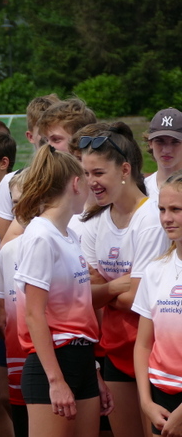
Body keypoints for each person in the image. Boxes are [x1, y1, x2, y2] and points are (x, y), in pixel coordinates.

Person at [12, 145, 112, 437]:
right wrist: (55, 381)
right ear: (76, 183)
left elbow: (78, 314)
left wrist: (93, 371)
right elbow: (34, 314)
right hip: (53, 362)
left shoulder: (68, 235)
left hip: (82, 359)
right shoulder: (41, 236)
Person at [79, 123, 167, 437]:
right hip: (115, 349)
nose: (91, 182)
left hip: (153, 350)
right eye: (86, 173)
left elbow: (140, 300)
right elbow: (83, 297)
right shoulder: (94, 221)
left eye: (98, 173)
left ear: (125, 170)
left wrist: (104, 290)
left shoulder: (151, 219)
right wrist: (119, 285)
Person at [134, 172, 182, 436]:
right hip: (160, 396)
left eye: (176, 209)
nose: (166, 218)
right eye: (162, 209)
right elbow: (143, 344)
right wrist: (146, 402)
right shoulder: (155, 270)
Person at [0, 94, 62, 240]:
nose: (50, 142)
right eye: (44, 135)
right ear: (30, 136)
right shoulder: (10, 182)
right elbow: (3, 243)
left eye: (55, 136)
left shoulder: (78, 180)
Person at [0, 169, 31, 437]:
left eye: (25, 200)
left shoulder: (62, 241)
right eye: (15, 203)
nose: (19, 209)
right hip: (17, 351)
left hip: (52, 357)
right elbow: (2, 307)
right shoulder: (7, 251)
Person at [143, 108, 182, 199]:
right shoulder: (141, 189)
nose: (166, 150)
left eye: (175, 142)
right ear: (150, 143)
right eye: (160, 141)